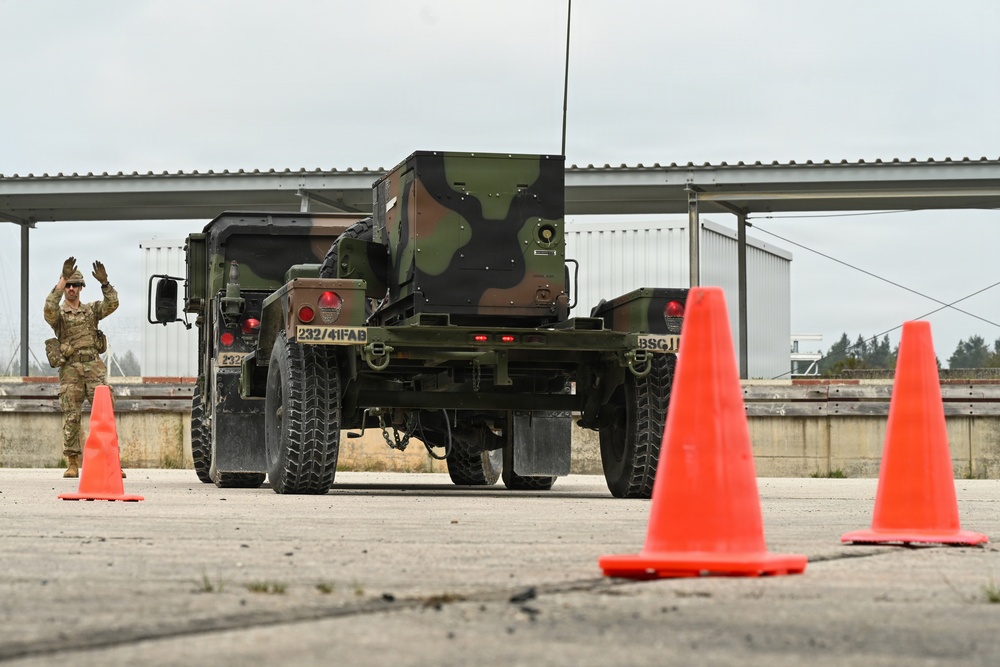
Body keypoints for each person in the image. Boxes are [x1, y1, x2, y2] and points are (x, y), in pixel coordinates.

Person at [43, 257, 120, 478]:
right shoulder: (59, 315)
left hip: (94, 367)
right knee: (71, 417)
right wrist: (62, 279)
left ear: (81, 288)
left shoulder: (91, 310)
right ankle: (73, 462)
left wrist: (105, 284)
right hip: (70, 370)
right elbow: (48, 308)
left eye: (75, 285)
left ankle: (111, 461)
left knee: (104, 416)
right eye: (68, 285)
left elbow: (112, 304)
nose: (71, 289)